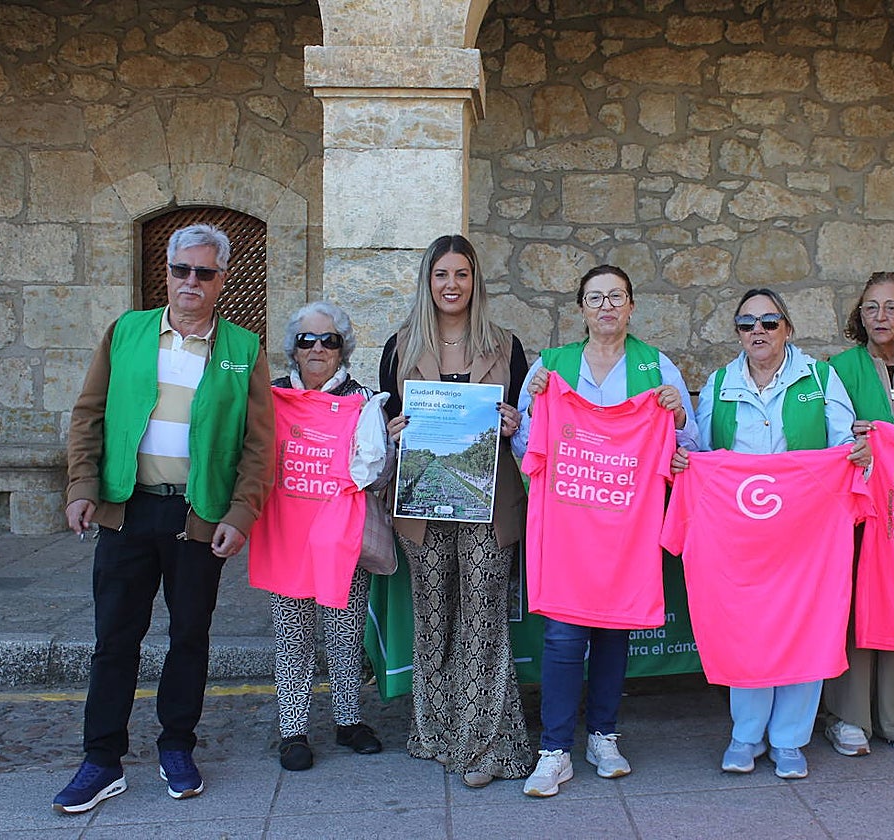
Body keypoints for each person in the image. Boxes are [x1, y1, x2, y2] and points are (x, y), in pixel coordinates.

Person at [54, 224, 275, 813]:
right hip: (127, 511)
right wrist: (81, 485)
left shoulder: (243, 350)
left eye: (205, 273)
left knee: (189, 639)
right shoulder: (127, 332)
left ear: (221, 280)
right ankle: (101, 760)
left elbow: (259, 446)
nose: (191, 283)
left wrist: (241, 512)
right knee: (114, 641)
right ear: (168, 273)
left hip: (196, 518)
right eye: (182, 271)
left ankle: (177, 746)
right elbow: (88, 414)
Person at [512, 265, 699, 798]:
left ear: (632, 305)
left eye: (616, 296)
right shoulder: (551, 368)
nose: (606, 306)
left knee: (615, 632)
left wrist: (677, 416)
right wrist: (533, 409)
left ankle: (603, 735)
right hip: (569, 528)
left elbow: (692, 446)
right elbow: (527, 449)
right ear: (581, 309)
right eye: (595, 298)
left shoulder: (657, 367)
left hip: (626, 527)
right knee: (565, 636)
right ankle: (553, 750)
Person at [674, 287, 867, 780]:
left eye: (768, 322)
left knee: (805, 626)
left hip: (807, 532)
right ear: (737, 332)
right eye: (746, 323)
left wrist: (859, 454)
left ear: (787, 327)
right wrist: (683, 454)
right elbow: (702, 446)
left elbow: (843, 444)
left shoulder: (820, 378)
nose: (757, 331)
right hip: (742, 534)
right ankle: (745, 734)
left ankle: (790, 740)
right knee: (747, 630)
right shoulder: (719, 383)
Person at [378, 234, 533, 789]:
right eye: (441, 274)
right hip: (423, 502)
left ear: (475, 282)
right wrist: (393, 432)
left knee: (483, 618)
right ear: (428, 280)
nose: (451, 285)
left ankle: (491, 744)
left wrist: (515, 424)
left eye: (461, 274)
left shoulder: (506, 346)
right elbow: (387, 426)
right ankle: (437, 735)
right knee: (433, 618)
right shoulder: (399, 348)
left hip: (490, 501)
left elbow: (525, 421)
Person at [249, 301, 390, 771]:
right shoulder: (270, 400)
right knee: (292, 636)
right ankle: (293, 731)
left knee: (346, 634)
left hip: (340, 537)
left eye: (329, 339)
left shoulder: (364, 400)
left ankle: (349, 721)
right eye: (307, 339)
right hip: (287, 533)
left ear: (342, 347)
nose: (318, 348)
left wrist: (387, 441)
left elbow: (378, 474)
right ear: (293, 347)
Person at [822, 271, 894, 758]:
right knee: (853, 606)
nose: (881, 317)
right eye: (872, 307)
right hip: (854, 506)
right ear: (859, 314)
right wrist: (854, 439)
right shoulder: (837, 368)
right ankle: (846, 716)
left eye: (892, 308)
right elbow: (829, 438)